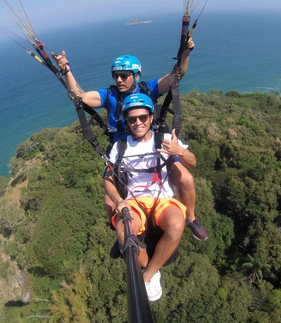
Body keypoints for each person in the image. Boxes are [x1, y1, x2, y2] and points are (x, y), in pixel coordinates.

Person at [52, 39, 208, 241]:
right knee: (109, 201)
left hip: (152, 145)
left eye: (124, 76)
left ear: (136, 76)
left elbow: (175, 76)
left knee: (186, 179)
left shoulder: (148, 89)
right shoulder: (110, 95)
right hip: (123, 151)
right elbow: (80, 97)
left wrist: (185, 53)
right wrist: (66, 71)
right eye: (115, 76)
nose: (119, 80)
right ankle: (123, 234)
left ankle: (191, 218)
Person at [104, 93, 196, 301]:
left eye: (143, 117)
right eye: (132, 119)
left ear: (151, 117)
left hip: (162, 199)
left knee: (177, 225)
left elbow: (192, 162)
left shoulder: (164, 140)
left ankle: (148, 275)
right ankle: (148, 266)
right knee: (123, 231)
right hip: (134, 201)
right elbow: (108, 179)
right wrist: (119, 202)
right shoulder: (120, 147)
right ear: (126, 121)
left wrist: (179, 150)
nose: (138, 123)